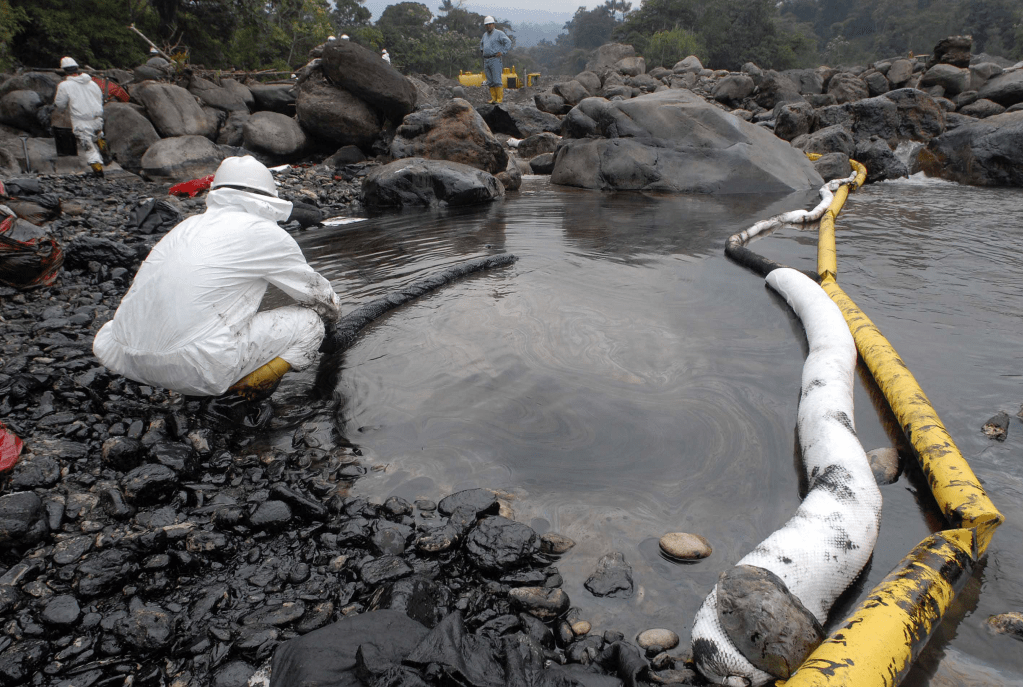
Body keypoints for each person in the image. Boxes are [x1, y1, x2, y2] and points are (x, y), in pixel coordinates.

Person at [93, 156, 342, 421]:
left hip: (127, 358)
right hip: (195, 369)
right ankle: (238, 397)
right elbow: (320, 296)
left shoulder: (186, 227)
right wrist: (331, 325)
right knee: (310, 323)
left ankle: (195, 381)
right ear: (269, 199)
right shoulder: (264, 233)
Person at [53, 57, 105, 177]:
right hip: (97, 118)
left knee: (88, 147)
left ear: (64, 71)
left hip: (81, 120)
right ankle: (106, 154)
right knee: (98, 137)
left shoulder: (64, 85)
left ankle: (98, 172)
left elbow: (60, 104)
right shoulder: (92, 83)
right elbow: (99, 99)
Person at [479, 16, 512, 104]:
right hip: (486, 60)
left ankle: (499, 99)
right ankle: (493, 98)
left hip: (495, 59)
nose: (488, 26)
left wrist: (503, 51)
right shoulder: (485, 35)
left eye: (490, 24)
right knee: (490, 81)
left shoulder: (499, 33)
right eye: (487, 24)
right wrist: (482, 51)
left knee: (497, 80)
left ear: (493, 24)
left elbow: (508, 42)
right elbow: (481, 44)